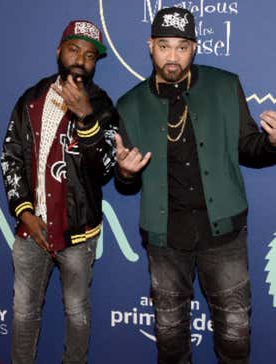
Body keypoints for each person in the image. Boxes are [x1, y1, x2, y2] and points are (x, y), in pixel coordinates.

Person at [115, 7, 276, 364]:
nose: (172, 56)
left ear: (195, 48)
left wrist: (273, 144)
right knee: (170, 339)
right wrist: (125, 173)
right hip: (165, 238)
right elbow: (126, 182)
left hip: (224, 235)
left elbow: (250, 149)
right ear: (150, 46)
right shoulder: (129, 105)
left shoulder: (225, 85)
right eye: (164, 46)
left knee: (235, 336)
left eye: (182, 47)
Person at [0, 20, 119, 364]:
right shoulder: (32, 99)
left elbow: (105, 169)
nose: (81, 59)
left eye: (90, 55)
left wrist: (86, 119)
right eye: (74, 49)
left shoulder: (103, 106)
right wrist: (24, 212)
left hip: (78, 234)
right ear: (59, 51)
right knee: (23, 313)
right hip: (30, 230)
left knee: (77, 314)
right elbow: (11, 156)